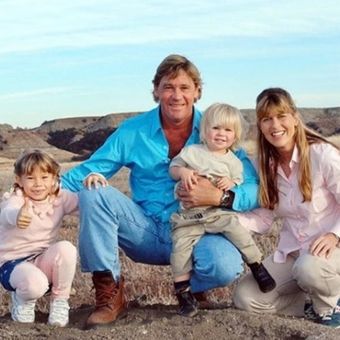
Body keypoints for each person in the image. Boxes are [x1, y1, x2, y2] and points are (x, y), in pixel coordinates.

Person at [61, 54, 259, 329]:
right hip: (147, 231)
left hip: (200, 229)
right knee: (93, 191)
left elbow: (252, 187)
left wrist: (221, 197)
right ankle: (110, 293)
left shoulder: (217, 128)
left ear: (197, 92)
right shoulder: (133, 131)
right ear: (156, 91)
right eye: (168, 87)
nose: (176, 95)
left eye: (185, 87)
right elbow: (86, 172)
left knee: (226, 265)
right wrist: (30, 192)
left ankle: (190, 289)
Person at [233, 87, 340, 328]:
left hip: (332, 250)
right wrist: (228, 221)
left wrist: (334, 234)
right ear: (260, 125)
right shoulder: (264, 165)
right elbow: (263, 218)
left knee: (309, 268)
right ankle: (309, 307)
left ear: (294, 117)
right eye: (266, 119)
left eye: (281, 116)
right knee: (246, 297)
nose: (275, 124)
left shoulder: (322, 155)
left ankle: (332, 305)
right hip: (294, 251)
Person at [169, 103, 276, 316]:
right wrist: (182, 173)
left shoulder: (235, 161)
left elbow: (239, 181)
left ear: (235, 135)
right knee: (180, 249)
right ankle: (183, 293)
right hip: (188, 216)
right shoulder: (192, 152)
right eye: (216, 128)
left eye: (228, 130)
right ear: (205, 130)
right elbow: (173, 168)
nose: (221, 134)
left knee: (237, 230)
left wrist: (230, 182)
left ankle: (257, 266)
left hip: (217, 213)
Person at [0, 149, 78, 327]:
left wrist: (95, 182)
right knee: (35, 285)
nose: (38, 184)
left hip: (42, 259)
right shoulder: (16, 199)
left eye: (44, 177)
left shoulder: (60, 198)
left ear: (54, 179)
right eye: (30, 178)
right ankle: (22, 300)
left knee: (67, 249)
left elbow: (88, 206)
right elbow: (6, 213)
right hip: (12, 265)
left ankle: (60, 302)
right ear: (18, 180)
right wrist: (18, 216)